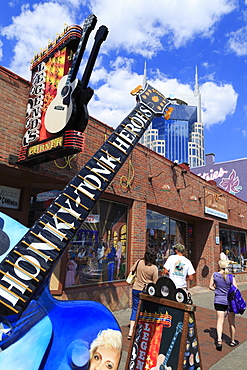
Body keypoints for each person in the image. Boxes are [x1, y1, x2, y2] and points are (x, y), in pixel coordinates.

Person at [128, 248, 159, 339]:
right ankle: (142, 330)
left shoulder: (139, 262)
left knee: (134, 309)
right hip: (146, 291)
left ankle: (131, 331)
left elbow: (131, 270)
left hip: (136, 288)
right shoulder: (154, 268)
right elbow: (155, 282)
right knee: (145, 310)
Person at [209, 259, 238, 351]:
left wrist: (216, 289)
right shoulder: (230, 277)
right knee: (231, 322)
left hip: (219, 300)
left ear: (219, 266)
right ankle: (232, 341)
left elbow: (210, 286)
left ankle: (219, 340)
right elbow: (235, 289)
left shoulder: (215, 275)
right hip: (229, 302)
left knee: (220, 321)